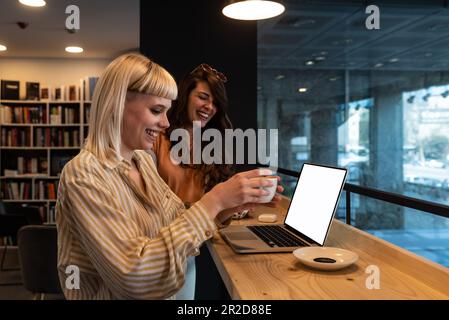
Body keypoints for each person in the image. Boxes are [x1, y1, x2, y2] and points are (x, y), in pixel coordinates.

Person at [55, 52, 280, 300]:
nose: (164, 123)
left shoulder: (143, 161)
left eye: (167, 111)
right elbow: (136, 278)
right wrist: (214, 200)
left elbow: (175, 219)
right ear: (116, 104)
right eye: (156, 110)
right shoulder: (84, 174)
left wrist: (227, 206)